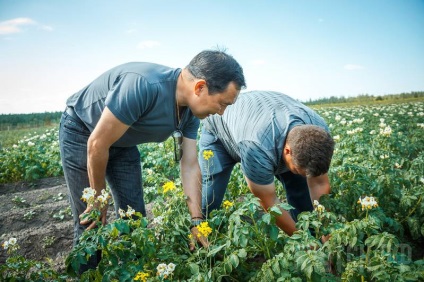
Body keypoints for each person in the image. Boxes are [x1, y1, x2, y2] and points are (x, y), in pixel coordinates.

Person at [58, 50, 246, 271]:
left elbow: (190, 164)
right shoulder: (144, 85)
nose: (222, 112)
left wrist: (197, 220)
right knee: (91, 221)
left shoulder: (190, 113)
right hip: (83, 132)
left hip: (123, 142)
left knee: (135, 219)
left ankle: (133, 273)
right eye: (222, 103)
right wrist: (98, 199)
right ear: (200, 87)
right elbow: (97, 144)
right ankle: (87, 274)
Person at [199, 90, 334, 236]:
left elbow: (319, 183)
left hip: (259, 122)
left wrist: (325, 231)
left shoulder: (319, 132)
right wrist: (302, 240)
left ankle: (312, 232)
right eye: (296, 169)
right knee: (210, 194)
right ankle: (201, 238)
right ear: (287, 151)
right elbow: (268, 201)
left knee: (300, 188)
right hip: (219, 131)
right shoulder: (257, 146)